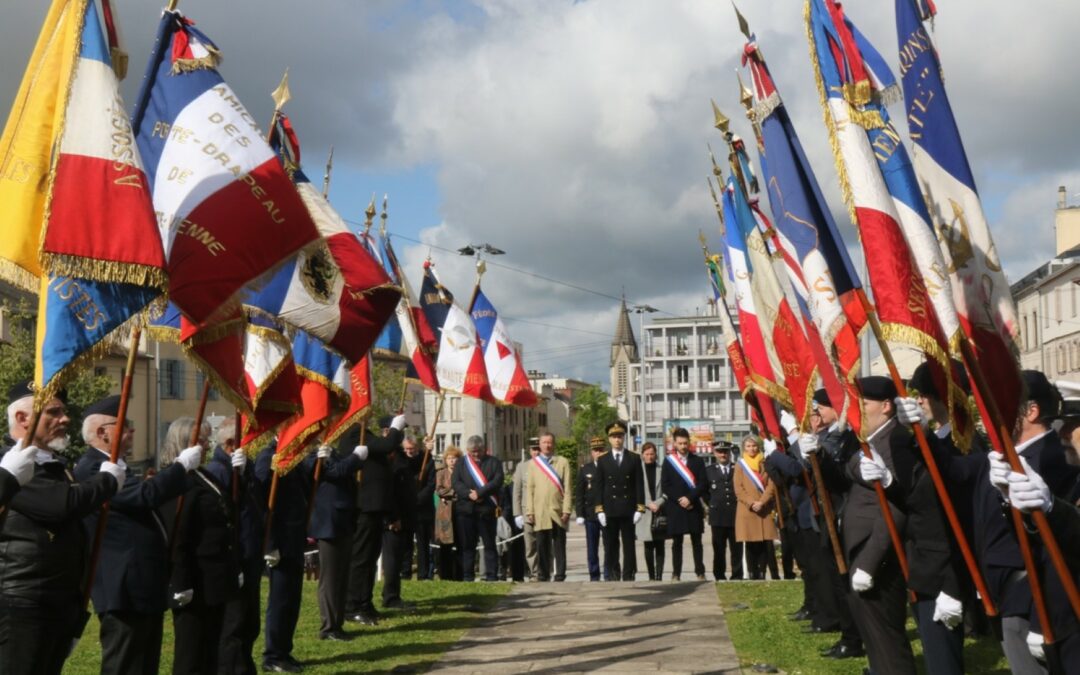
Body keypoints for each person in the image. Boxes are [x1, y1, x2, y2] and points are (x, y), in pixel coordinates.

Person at [0, 382, 122, 675]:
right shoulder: (9, 462)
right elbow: (60, 506)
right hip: (22, 602)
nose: (65, 419)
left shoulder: (54, 464)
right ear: (22, 419)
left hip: (56, 601)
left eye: (64, 412)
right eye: (53, 412)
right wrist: (108, 482)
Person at [74, 394, 198, 675]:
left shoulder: (115, 465)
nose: (132, 430)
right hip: (122, 585)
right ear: (102, 432)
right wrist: (181, 466)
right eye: (125, 424)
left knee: (144, 663)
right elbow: (144, 495)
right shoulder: (93, 468)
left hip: (141, 582)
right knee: (125, 663)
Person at [838, 376, 916, 675]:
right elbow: (849, 467)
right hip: (863, 549)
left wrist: (870, 563)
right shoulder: (872, 438)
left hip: (879, 555)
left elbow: (896, 508)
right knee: (874, 637)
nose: (859, 409)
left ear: (885, 406)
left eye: (864, 403)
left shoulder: (896, 439)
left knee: (886, 637)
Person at [166, 417, 242, 675]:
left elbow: (228, 513)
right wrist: (180, 581)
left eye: (206, 441)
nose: (207, 447)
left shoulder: (204, 475)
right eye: (200, 441)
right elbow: (179, 534)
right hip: (194, 578)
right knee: (190, 653)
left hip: (215, 575)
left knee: (211, 648)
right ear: (183, 442)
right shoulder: (177, 479)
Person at [800, 391, 865, 661]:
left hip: (845, 516)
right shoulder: (835, 436)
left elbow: (841, 480)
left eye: (822, 408)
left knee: (846, 584)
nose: (818, 413)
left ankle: (853, 639)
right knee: (839, 583)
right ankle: (849, 637)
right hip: (831, 516)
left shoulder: (849, 438)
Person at [206, 419, 266, 675]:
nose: (251, 448)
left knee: (250, 621)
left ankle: (244, 666)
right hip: (235, 555)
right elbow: (226, 514)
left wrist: (243, 475)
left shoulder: (243, 466)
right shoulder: (219, 470)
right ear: (231, 444)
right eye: (247, 442)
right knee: (234, 624)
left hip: (250, 552)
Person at [343, 414, 406, 625]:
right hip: (364, 506)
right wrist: (396, 428)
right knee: (361, 559)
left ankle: (365, 602)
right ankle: (352, 606)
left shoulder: (365, 434)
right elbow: (387, 445)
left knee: (370, 559)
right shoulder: (353, 434)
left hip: (375, 506)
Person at [255, 438, 310, 673]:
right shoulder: (268, 457)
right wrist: (270, 544)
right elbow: (263, 501)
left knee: (292, 599)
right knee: (280, 600)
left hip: (295, 538)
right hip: (280, 541)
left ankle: (284, 650)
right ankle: (273, 654)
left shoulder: (292, 456)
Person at [307, 441, 365, 642]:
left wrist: (355, 458)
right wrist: (356, 457)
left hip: (343, 521)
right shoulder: (315, 455)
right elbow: (336, 472)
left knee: (341, 577)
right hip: (328, 523)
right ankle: (328, 627)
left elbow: (347, 468)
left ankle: (337, 624)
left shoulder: (334, 453)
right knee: (330, 579)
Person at [592, 421, 645, 581]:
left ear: (624, 437)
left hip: (628, 508)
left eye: (620, 436)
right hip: (610, 509)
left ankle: (629, 574)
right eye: (614, 437)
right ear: (609, 439)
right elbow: (598, 486)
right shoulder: (603, 460)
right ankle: (613, 574)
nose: (617, 440)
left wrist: (640, 508)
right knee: (611, 545)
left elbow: (639, 484)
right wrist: (599, 509)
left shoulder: (634, 458)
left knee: (629, 545)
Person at [452, 435, 504, 581]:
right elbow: (456, 482)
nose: (476, 454)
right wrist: (469, 494)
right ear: (468, 450)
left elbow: (497, 480)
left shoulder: (493, 462)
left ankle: (492, 576)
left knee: (489, 545)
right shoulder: (461, 463)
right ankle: (468, 576)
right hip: (466, 511)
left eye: (478, 451)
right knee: (467, 547)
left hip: (486, 511)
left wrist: (480, 493)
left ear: (484, 449)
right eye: (473, 451)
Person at [525, 433, 572, 582]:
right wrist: (530, 511)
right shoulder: (533, 464)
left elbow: (568, 488)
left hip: (557, 511)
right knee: (542, 545)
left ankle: (560, 574)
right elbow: (530, 489)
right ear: (539, 444)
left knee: (559, 545)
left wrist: (567, 509)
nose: (547, 445)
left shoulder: (562, 462)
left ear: (554, 444)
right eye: (544, 442)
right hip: (540, 511)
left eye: (550, 442)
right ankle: (543, 574)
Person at [662, 428, 707, 581]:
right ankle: (676, 573)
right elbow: (665, 486)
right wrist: (680, 499)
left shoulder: (698, 461)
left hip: (693, 506)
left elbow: (702, 484)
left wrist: (690, 498)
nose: (683, 446)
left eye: (685, 443)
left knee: (697, 542)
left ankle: (700, 572)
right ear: (674, 443)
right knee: (677, 543)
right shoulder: (668, 462)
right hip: (676, 508)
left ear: (689, 443)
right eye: (680, 443)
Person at [733, 434, 778, 580]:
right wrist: (752, 503)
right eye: (748, 446)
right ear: (743, 449)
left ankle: (763, 572)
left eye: (754, 446)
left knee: (765, 543)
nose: (751, 449)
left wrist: (762, 502)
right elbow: (738, 489)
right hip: (747, 509)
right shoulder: (740, 465)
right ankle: (752, 573)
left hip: (764, 509)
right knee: (751, 543)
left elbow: (771, 486)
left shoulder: (766, 463)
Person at [382, 434, 418, 610]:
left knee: (398, 559)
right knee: (392, 560)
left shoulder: (402, 458)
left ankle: (394, 594)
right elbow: (390, 492)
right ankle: (390, 597)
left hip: (405, 517)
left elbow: (416, 464)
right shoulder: (390, 461)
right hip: (394, 520)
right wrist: (393, 518)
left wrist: (425, 448)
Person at [707, 442, 741, 581]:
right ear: (715, 453)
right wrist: (710, 504)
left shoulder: (737, 468)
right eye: (720, 452)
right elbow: (704, 490)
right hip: (718, 515)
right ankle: (719, 575)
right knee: (719, 549)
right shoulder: (709, 470)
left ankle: (737, 574)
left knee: (736, 548)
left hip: (735, 514)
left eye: (725, 452)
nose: (723, 454)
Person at [576, 438, 608, 582]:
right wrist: (579, 513)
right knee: (592, 547)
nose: (598, 453)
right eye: (596, 450)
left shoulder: (609, 467)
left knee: (609, 545)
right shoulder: (585, 469)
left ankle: (609, 573)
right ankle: (594, 574)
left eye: (601, 450)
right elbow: (580, 494)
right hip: (590, 514)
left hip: (607, 513)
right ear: (591, 452)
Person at [636, 442, 666, 581]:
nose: (649, 457)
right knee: (648, 545)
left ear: (656, 455)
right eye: (647, 454)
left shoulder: (662, 469)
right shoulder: (638, 470)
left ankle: (659, 575)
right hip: (645, 511)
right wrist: (648, 504)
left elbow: (668, 490)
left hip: (660, 511)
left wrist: (658, 503)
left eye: (652, 454)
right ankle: (651, 575)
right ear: (642, 455)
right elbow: (635, 491)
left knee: (660, 545)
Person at [409, 437, 437, 581]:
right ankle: (405, 572)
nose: (409, 452)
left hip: (423, 508)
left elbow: (431, 484)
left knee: (423, 543)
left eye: (412, 450)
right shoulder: (403, 460)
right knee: (407, 545)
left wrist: (418, 499)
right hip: (407, 507)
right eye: (407, 450)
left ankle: (424, 573)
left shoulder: (428, 460)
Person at [512, 441, 541, 580]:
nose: (536, 452)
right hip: (526, 510)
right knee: (530, 544)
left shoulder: (548, 466)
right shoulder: (522, 467)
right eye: (534, 450)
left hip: (544, 511)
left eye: (538, 449)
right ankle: (534, 572)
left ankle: (545, 571)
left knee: (544, 543)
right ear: (530, 451)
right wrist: (517, 513)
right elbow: (516, 491)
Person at [435, 446, 463, 580]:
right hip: (445, 512)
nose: (452, 461)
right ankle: (445, 575)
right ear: (445, 460)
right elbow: (439, 490)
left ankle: (459, 575)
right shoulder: (440, 473)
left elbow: (465, 489)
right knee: (445, 545)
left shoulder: (463, 473)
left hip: (460, 510)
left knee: (460, 543)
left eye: (454, 458)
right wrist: (455, 490)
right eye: (449, 458)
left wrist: (450, 492)